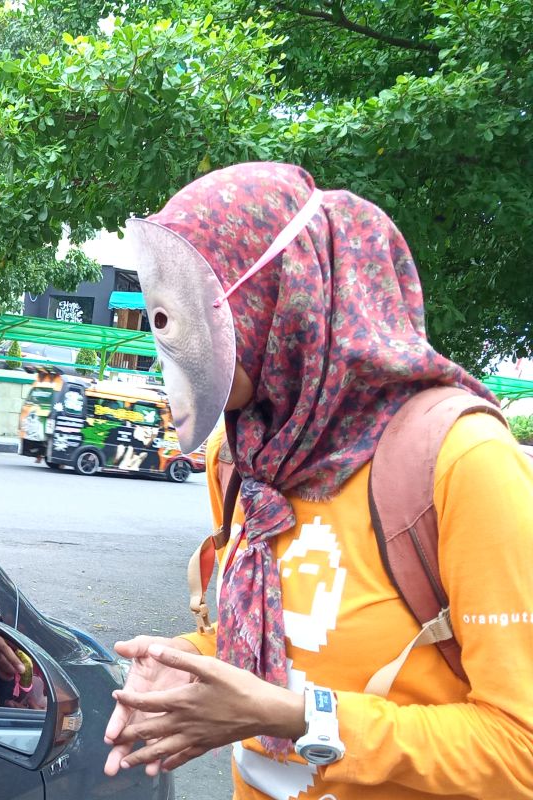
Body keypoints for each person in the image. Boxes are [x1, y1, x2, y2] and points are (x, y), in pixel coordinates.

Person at [102, 162, 533, 798]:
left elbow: (519, 748)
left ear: (288, 295)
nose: (175, 337)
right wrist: (188, 660)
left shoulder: (462, 459)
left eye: (197, 306)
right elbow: (282, 634)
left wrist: (302, 718)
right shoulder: (243, 456)